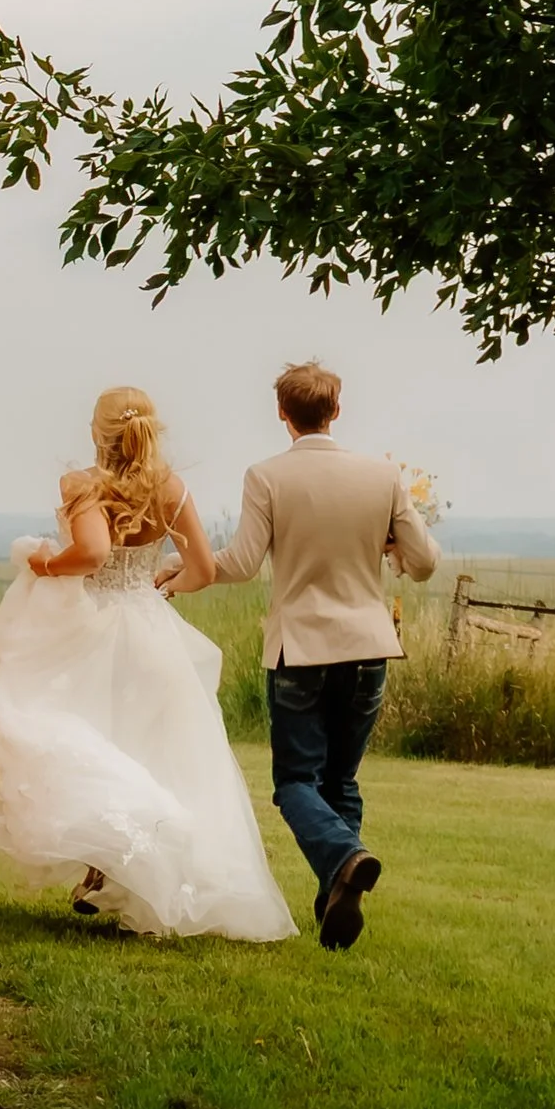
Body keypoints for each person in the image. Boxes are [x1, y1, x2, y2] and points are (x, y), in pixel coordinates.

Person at [0, 388, 295, 942]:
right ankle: (113, 875)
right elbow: (204, 569)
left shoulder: (83, 485)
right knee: (149, 751)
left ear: (97, 433)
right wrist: (165, 585)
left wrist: (43, 561)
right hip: (150, 631)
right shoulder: (170, 488)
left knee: (64, 732)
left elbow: (90, 553)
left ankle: (115, 864)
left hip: (93, 631)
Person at [210, 361, 438, 950]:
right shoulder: (383, 477)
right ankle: (336, 901)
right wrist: (394, 556)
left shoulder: (265, 476)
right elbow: (425, 561)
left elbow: (238, 564)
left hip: (301, 649)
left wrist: (183, 569)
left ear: (283, 414)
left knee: (294, 783)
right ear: (337, 411)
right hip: (369, 650)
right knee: (341, 778)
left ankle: (343, 859)